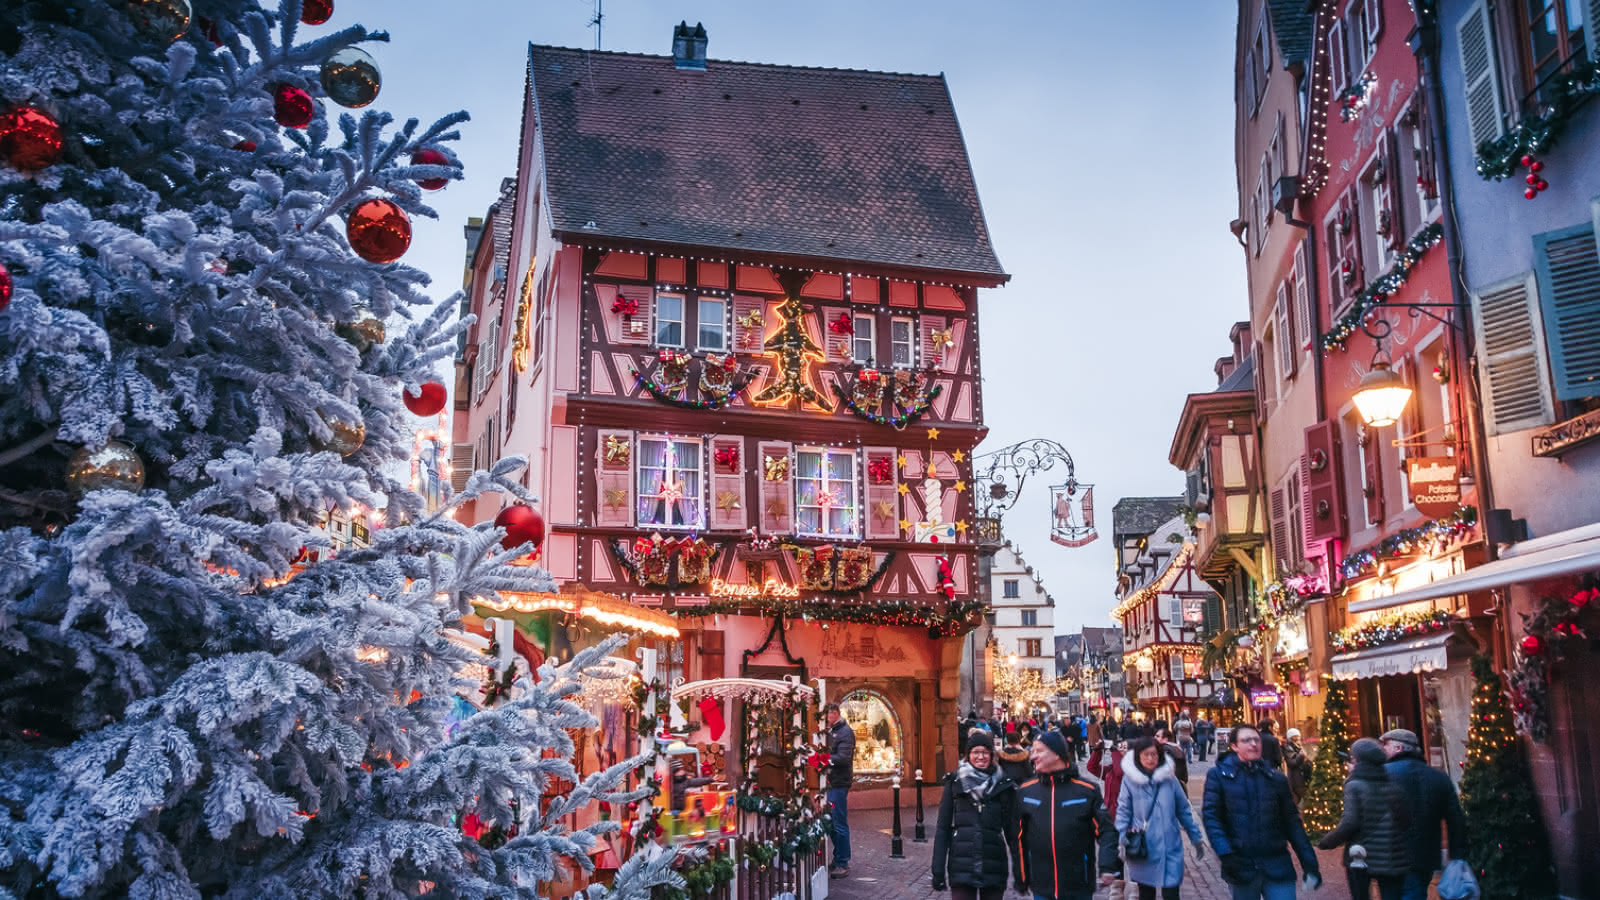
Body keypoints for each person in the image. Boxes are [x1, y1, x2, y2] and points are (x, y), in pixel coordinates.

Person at [1201, 723, 1321, 900]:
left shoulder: (1275, 778)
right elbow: (1212, 818)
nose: (1253, 744)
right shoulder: (1218, 776)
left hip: (1276, 863)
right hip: (1241, 865)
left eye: (1256, 740)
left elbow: (1292, 823)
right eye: (1246, 740)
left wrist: (1309, 863)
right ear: (1234, 746)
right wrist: (1225, 853)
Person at [1016, 729, 1121, 900]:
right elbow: (1019, 838)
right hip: (1042, 886)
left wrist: (1107, 865)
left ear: (1057, 754)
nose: (1033, 756)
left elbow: (1107, 831)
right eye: (1032, 751)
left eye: (1039, 751)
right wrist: (1021, 876)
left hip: (1078, 884)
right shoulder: (1027, 791)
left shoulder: (1086, 791)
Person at [932, 731, 1023, 900]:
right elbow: (943, 829)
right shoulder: (955, 783)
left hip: (993, 865)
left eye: (985, 752)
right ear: (968, 755)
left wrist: (1020, 872)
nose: (980, 757)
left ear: (991, 754)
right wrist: (937, 869)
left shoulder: (1003, 785)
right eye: (975, 752)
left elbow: (1013, 833)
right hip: (961, 865)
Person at [1317, 738, 1409, 900]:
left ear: (1359, 761)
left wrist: (1327, 841)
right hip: (1391, 856)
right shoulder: (1393, 784)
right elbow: (1405, 820)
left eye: (1352, 759)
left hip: (1360, 856)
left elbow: (1350, 822)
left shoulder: (1354, 785)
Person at [1116, 737, 1207, 900]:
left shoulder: (1170, 780)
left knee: (1172, 893)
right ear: (1138, 756)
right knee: (1146, 893)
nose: (1150, 759)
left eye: (1154, 754)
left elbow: (1184, 810)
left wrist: (1196, 838)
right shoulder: (1129, 781)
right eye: (1146, 755)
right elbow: (1123, 811)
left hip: (1169, 847)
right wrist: (1121, 838)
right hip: (1143, 847)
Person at [1381, 729, 1467, 900]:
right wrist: (1457, 856)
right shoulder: (1439, 777)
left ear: (1398, 748)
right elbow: (1455, 819)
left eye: (1386, 746)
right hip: (1425, 857)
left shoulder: (1382, 774)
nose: (1383, 750)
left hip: (1390, 858)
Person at [823, 703, 856, 879]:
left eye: (829, 714)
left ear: (835, 714)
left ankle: (843, 861)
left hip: (839, 783)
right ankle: (838, 857)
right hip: (831, 782)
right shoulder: (832, 731)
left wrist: (824, 759)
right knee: (832, 822)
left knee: (839, 822)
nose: (827, 718)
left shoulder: (844, 732)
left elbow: (843, 758)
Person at [1282, 728, 1313, 806]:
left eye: (1299, 737)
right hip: (1296, 779)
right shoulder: (1288, 748)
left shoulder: (1298, 747)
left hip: (1302, 778)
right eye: (1297, 737)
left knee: (1299, 800)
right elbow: (1292, 763)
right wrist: (1302, 755)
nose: (1299, 740)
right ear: (1292, 738)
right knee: (1302, 799)